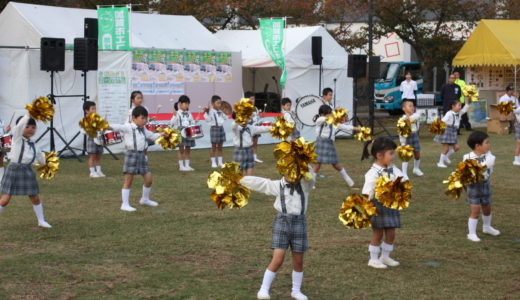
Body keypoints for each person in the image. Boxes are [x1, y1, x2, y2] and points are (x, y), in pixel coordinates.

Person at [240, 159, 316, 300]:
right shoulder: (277, 185)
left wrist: (303, 160)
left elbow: (311, 176)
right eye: (289, 173)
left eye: (296, 173)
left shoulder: (306, 185)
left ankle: (296, 290)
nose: (292, 176)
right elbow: (259, 183)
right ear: (283, 172)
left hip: (300, 223)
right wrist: (240, 179)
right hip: (282, 223)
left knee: (298, 260)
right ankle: (263, 290)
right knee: (278, 258)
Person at [361, 137, 406, 269]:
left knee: (391, 232)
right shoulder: (372, 173)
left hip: (391, 205)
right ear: (379, 155)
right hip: (377, 206)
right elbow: (367, 191)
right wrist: (366, 206)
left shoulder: (393, 168)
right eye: (391, 153)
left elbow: (403, 179)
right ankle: (373, 259)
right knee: (378, 233)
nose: (393, 156)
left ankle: (385, 256)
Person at [0, 114, 52, 228]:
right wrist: (29, 115)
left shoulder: (34, 143)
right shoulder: (16, 138)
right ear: (21, 127)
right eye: (27, 126)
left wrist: (48, 163)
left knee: (35, 197)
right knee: (5, 199)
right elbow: (19, 127)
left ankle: (41, 221)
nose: (30, 129)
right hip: (14, 169)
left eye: (33, 127)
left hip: (28, 171)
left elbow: (40, 157)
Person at [108, 106, 163, 212]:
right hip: (131, 155)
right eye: (142, 118)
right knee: (128, 180)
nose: (144, 121)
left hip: (142, 155)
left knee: (149, 179)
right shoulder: (128, 127)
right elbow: (118, 127)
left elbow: (152, 136)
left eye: (145, 118)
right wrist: (106, 126)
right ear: (134, 118)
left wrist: (162, 134)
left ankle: (145, 199)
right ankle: (125, 204)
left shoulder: (143, 129)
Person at [463, 131, 500, 242]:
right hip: (473, 186)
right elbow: (464, 174)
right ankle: (471, 233)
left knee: (487, 207)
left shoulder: (489, 155)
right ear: (477, 146)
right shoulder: (467, 157)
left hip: (485, 184)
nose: (489, 145)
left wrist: (476, 169)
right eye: (486, 143)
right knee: (475, 210)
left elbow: (489, 162)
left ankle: (487, 227)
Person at [313, 105, 361, 187]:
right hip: (320, 142)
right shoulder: (319, 119)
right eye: (328, 113)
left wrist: (356, 128)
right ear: (322, 114)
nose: (330, 114)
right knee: (317, 164)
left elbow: (344, 126)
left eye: (330, 113)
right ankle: (311, 183)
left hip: (329, 143)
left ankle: (348, 179)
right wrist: (335, 113)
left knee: (335, 163)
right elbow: (325, 119)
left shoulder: (333, 121)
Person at [434, 99, 471, 168]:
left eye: (460, 105)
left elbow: (464, 110)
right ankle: (440, 162)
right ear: (453, 106)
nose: (460, 107)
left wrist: (468, 104)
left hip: (453, 131)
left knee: (456, 147)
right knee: (446, 148)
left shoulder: (459, 113)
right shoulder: (449, 113)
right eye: (458, 105)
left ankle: (446, 156)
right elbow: (443, 121)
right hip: (447, 131)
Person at [399, 99, 424, 179]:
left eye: (413, 106)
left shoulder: (415, 117)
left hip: (415, 136)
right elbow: (410, 120)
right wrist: (402, 143)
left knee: (417, 154)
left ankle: (416, 169)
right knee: (406, 156)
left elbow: (417, 125)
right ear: (404, 109)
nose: (412, 107)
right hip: (406, 139)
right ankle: (404, 173)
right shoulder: (403, 119)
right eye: (410, 106)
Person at [171, 95, 196, 171]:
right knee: (181, 149)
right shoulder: (177, 113)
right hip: (180, 131)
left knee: (188, 148)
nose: (187, 105)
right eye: (185, 103)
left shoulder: (189, 113)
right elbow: (172, 123)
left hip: (188, 130)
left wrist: (195, 121)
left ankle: (187, 165)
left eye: (188, 104)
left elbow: (192, 121)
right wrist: (174, 116)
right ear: (180, 104)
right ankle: (181, 166)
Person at [81, 101, 105, 178]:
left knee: (98, 157)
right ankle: (92, 172)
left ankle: (98, 171)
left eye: (95, 109)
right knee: (92, 157)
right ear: (87, 111)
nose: (94, 110)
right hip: (92, 139)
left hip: (99, 139)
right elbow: (82, 131)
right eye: (92, 109)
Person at [204, 95, 228, 168]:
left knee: (220, 146)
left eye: (220, 103)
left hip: (221, 128)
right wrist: (207, 112)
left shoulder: (220, 111)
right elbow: (207, 119)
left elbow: (226, 118)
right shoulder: (210, 111)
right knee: (213, 146)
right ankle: (213, 162)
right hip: (214, 128)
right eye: (218, 103)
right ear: (212, 103)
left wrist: (225, 111)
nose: (219, 105)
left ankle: (220, 162)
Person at [498, 86, 520, 160]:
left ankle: (513, 128)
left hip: (514, 112)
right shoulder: (503, 98)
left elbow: (517, 106)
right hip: (506, 111)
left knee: (515, 116)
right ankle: (511, 128)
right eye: (510, 90)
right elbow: (501, 106)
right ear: (507, 91)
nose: (512, 91)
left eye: (512, 90)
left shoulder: (514, 98)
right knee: (512, 115)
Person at [244, 91, 263, 163]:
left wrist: (260, 118)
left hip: (256, 127)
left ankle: (254, 157)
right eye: (251, 99)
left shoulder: (256, 108)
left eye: (254, 99)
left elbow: (257, 117)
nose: (253, 101)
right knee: (249, 143)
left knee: (255, 142)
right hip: (249, 128)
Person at [0, 117, 11, 187]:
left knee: (1, 163)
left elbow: (2, 133)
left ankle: (1, 181)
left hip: (1, 143)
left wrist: (6, 131)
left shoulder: (1, 120)